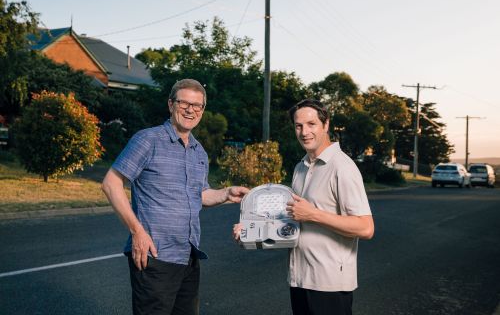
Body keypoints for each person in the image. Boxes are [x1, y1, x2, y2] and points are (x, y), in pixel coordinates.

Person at [102, 78, 248, 315]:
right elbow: (111, 184)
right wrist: (137, 232)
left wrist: (226, 193)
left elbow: (200, 195)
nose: (190, 110)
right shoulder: (148, 140)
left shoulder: (198, 151)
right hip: (155, 256)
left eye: (197, 105)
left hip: (188, 257)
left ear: (202, 110)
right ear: (171, 105)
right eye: (184, 103)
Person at [234, 99, 374, 315]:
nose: (304, 132)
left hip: (329, 284)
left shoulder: (342, 167)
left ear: (326, 125)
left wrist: (314, 214)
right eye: (298, 126)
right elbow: (291, 219)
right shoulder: (301, 167)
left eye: (311, 124)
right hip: (300, 279)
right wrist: (250, 230)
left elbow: (365, 228)